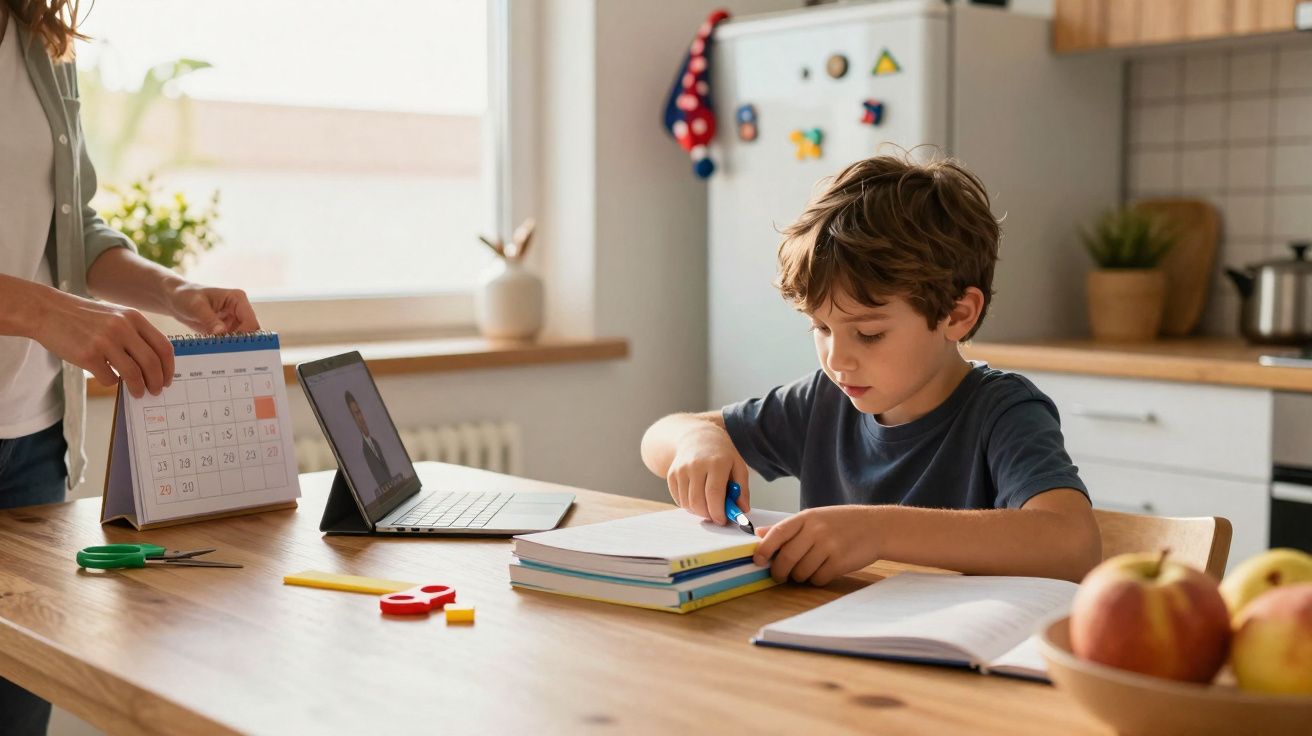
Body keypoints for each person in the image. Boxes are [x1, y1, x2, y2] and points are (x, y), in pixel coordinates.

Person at [640, 155, 1101, 587]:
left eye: (869, 334)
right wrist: (697, 440)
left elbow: (1073, 544)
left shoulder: (1003, 411)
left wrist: (877, 530)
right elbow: (657, 440)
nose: (837, 360)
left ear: (957, 315)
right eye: (821, 328)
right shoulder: (823, 400)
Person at [0, 3, 259, 733]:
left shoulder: (39, 39)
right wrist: (44, 312)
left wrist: (175, 292)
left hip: (32, 450)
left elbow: (72, 227)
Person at [345, 390, 393, 491]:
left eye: (359, 412)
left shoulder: (375, 443)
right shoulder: (360, 452)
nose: (361, 418)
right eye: (355, 415)